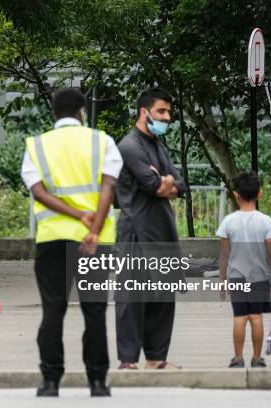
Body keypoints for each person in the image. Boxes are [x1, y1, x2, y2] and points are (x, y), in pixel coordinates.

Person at [21, 87, 123, 397]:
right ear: (82, 111)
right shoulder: (102, 141)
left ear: (54, 113)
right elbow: (108, 188)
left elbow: (38, 192)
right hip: (97, 239)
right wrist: (92, 226)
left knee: (53, 310)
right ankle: (97, 382)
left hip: (52, 240)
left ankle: (50, 381)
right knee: (95, 310)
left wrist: (76, 214)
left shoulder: (36, 146)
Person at [114, 87, 187, 370]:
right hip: (136, 232)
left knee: (163, 296)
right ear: (144, 112)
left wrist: (167, 182)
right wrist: (163, 183)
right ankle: (128, 361)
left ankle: (157, 359)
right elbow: (153, 185)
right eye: (161, 111)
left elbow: (179, 186)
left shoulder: (158, 146)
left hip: (162, 231)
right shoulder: (129, 146)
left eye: (168, 112)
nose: (167, 117)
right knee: (132, 298)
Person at [216, 171, 271, 368]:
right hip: (259, 277)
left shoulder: (228, 221)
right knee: (256, 317)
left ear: (236, 195)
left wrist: (222, 279)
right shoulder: (266, 221)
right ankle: (257, 358)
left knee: (240, 317)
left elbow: (224, 255)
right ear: (259, 194)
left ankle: (238, 358)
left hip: (237, 277)